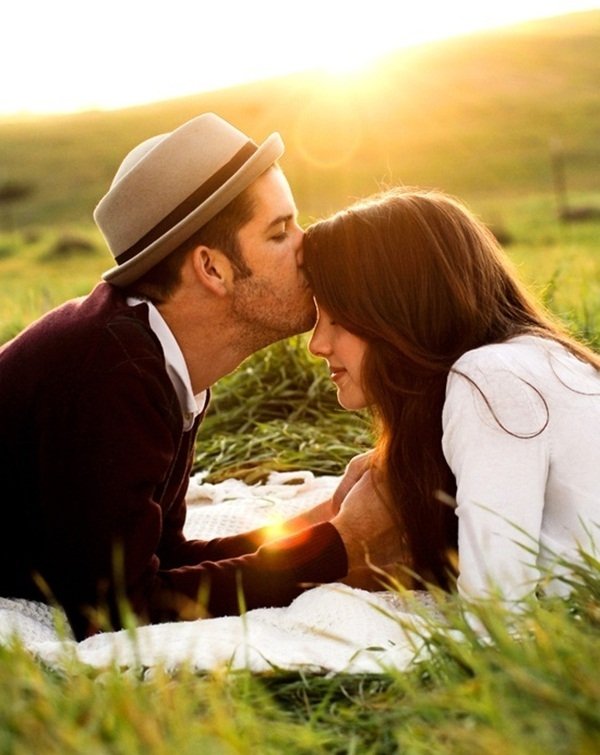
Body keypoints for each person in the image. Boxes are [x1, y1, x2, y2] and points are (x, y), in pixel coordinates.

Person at [0, 113, 402, 640]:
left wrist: (325, 519)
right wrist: (340, 549)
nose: (309, 245)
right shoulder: (110, 374)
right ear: (212, 269)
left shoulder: (157, 356)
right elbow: (117, 611)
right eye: (280, 231)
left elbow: (163, 559)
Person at [304, 187, 600, 603]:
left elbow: (495, 612)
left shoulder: (489, 380)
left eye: (338, 317)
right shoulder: (540, 360)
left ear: (399, 309)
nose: (317, 344)